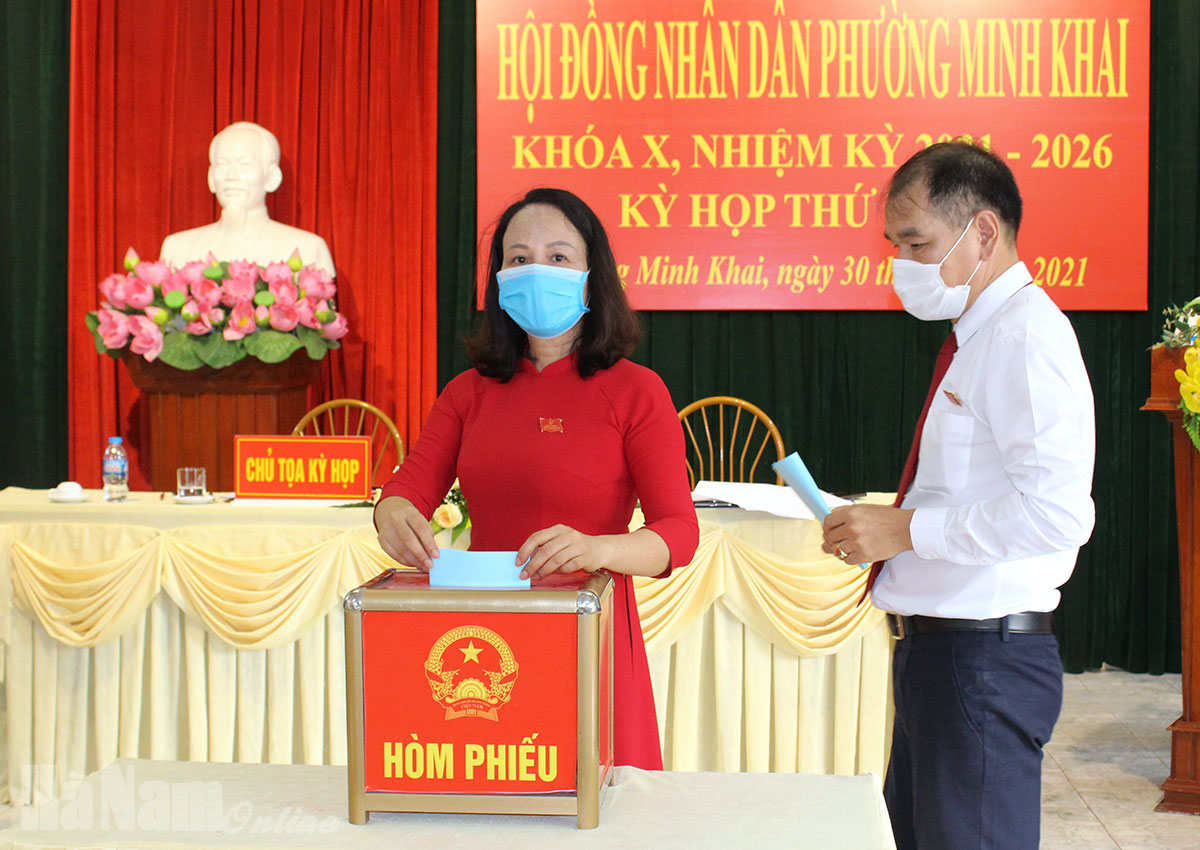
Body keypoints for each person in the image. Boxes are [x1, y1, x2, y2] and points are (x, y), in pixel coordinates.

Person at [821, 141, 1095, 850]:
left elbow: (1057, 514)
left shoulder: (1026, 338)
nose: (902, 265)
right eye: (895, 245)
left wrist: (906, 530)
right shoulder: (980, 337)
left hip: (983, 662)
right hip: (944, 657)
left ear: (983, 232)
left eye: (917, 243)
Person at [374, 187, 699, 770]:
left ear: (592, 277)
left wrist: (597, 548)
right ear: (499, 280)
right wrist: (391, 512)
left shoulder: (636, 391)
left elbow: (678, 533)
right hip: (484, 642)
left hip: (590, 633)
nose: (536, 270)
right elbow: (407, 488)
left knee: (598, 802)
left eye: (558, 256)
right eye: (519, 258)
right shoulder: (467, 392)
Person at [159, 121, 334, 273]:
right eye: (222, 164)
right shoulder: (177, 250)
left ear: (272, 178)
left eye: (245, 164)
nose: (231, 176)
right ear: (211, 178)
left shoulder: (307, 249)